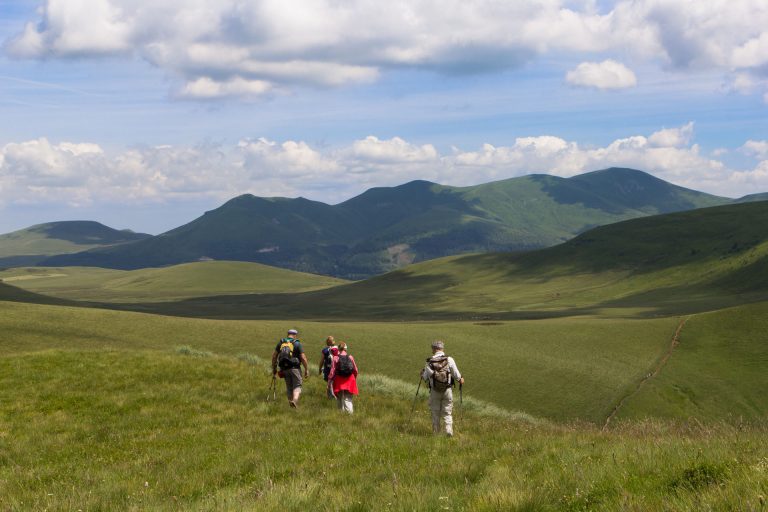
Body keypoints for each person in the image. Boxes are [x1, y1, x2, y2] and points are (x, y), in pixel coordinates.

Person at [421, 340, 464, 437]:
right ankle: (448, 431)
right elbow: (456, 374)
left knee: (435, 411)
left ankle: (436, 433)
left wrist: (421, 374)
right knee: (447, 411)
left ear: (434, 349)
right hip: (447, 389)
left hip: (434, 390)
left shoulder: (429, 362)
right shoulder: (449, 359)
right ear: (442, 348)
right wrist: (460, 379)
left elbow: (424, 377)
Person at [271, 328, 309, 408]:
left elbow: (274, 356)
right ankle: (294, 400)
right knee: (297, 385)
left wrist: (274, 368)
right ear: (295, 335)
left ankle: (291, 407)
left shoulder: (281, 342)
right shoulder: (297, 343)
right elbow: (303, 357)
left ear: (288, 334)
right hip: (295, 368)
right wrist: (306, 369)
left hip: (284, 369)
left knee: (289, 387)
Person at [327, 341, 358, 414]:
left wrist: (329, 382)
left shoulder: (335, 358)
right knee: (348, 398)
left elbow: (332, 372)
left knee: (340, 397)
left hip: (339, 380)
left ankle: (341, 414)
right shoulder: (350, 357)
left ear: (339, 349)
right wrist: (354, 378)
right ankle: (350, 415)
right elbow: (356, 370)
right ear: (345, 349)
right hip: (350, 379)